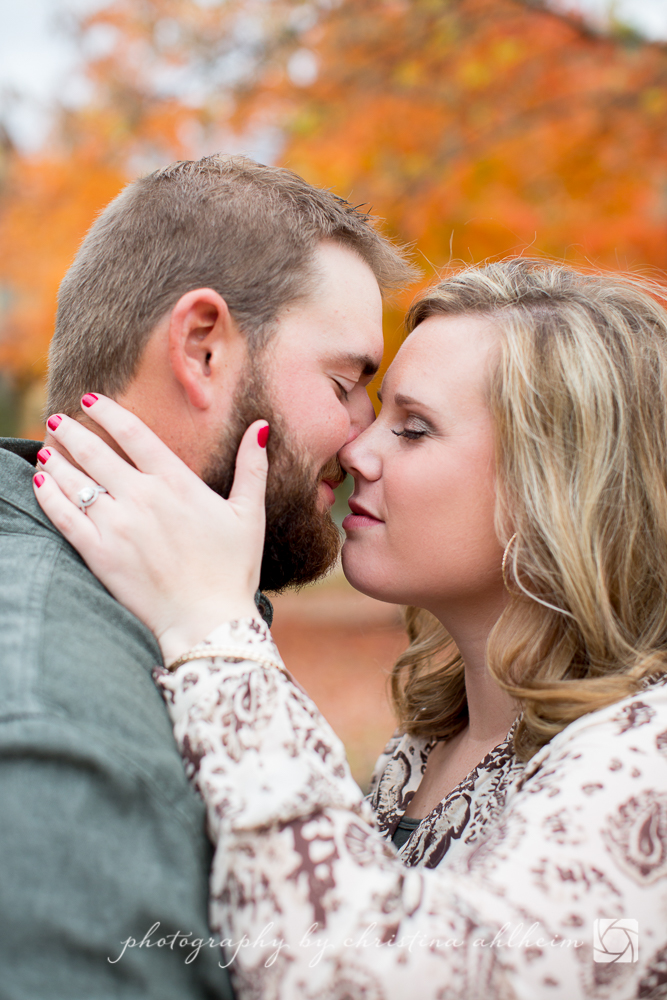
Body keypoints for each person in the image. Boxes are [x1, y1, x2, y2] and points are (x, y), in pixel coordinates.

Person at [33, 260, 667, 999]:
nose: (357, 452)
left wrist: (216, 630)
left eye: (414, 429)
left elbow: (364, 976)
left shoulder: (645, 762)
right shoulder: (429, 743)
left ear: (560, 486)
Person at [0, 154, 413, 999]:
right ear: (202, 348)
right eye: (346, 383)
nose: (363, 439)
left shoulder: (128, 618)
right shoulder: (56, 731)